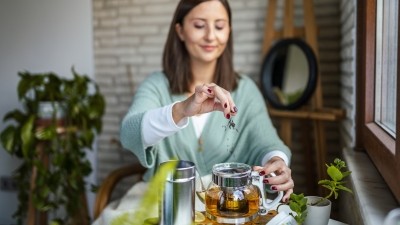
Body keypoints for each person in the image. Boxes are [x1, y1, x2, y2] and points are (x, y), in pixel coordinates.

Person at [94, 0, 294, 223]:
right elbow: (130, 133)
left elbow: (267, 142)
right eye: (199, 25)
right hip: (162, 204)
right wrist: (181, 110)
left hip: (226, 207)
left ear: (229, 31)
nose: (210, 36)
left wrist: (277, 163)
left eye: (219, 26)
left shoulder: (245, 89)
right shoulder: (157, 85)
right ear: (180, 30)